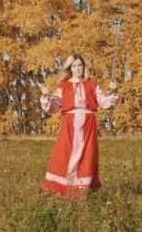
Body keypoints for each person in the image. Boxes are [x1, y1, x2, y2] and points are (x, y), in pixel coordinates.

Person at [40, 52, 119, 196]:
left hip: (88, 126)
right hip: (69, 126)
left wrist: (113, 92)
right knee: (64, 155)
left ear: (83, 67)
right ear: (70, 68)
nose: (78, 68)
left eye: (80, 65)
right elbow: (53, 107)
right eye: (74, 66)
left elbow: (105, 102)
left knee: (87, 157)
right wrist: (46, 97)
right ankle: (60, 190)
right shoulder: (63, 86)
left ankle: (82, 191)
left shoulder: (92, 84)